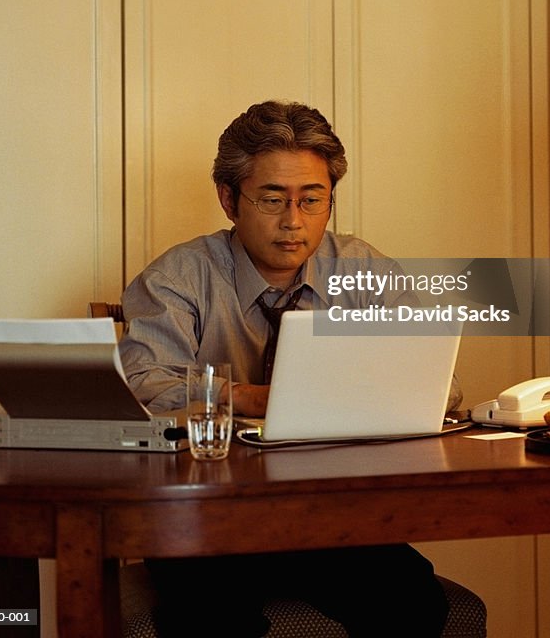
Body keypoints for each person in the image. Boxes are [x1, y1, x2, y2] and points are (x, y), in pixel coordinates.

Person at [118, 100, 453, 637]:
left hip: (330, 516)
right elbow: (145, 385)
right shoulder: (177, 277)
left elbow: (436, 383)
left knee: (412, 601)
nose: (293, 222)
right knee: (212, 616)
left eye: (312, 200)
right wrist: (255, 397)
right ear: (230, 201)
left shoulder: (363, 269)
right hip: (201, 519)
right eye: (272, 199)